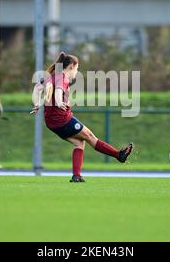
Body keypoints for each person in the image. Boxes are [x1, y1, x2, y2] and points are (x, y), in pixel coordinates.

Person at [31, 52, 133, 182]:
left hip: (51, 122)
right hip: (62, 119)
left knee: (79, 143)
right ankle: (119, 155)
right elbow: (57, 91)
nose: (76, 72)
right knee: (90, 136)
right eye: (77, 68)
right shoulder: (62, 78)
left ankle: (77, 176)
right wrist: (59, 101)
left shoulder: (52, 75)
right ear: (72, 66)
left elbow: (37, 88)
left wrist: (37, 103)